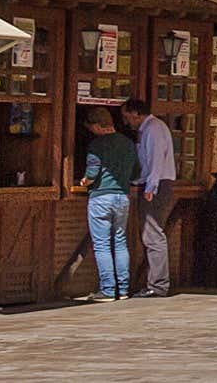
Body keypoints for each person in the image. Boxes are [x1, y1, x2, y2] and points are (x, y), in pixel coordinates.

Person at [72, 107, 139, 302]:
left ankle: (108, 290)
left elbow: (92, 174)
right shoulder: (128, 143)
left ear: (96, 125)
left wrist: (84, 181)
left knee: (102, 245)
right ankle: (123, 289)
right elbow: (136, 172)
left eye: (90, 127)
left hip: (101, 197)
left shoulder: (97, 145)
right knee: (120, 242)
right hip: (122, 197)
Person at [120, 100, 178, 297]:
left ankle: (158, 285)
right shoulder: (148, 129)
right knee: (150, 234)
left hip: (157, 184)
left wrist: (150, 186)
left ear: (136, 113)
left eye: (127, 117)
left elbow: (155, 159)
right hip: (153, 182)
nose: (126, 122)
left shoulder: (153, 128)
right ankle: (156, 283)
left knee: (152, 234)